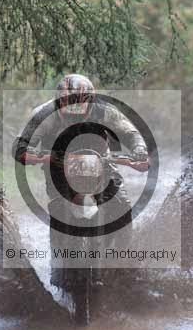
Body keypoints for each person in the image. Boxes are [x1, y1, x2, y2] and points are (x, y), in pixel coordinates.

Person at [13, 73, 148, 231]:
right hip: (58, 163)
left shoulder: (105, 111)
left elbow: (129, 133)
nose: (73, 117)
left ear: (90, 102)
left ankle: (125, 245)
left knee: (121, 204)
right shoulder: (43, 114)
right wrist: (28, 153)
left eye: (79, 110)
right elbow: (21, 143)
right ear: (58, 102)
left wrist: (139, 149)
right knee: (58, 205)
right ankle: (58, 243)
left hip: (101, 161)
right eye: (68, 110)